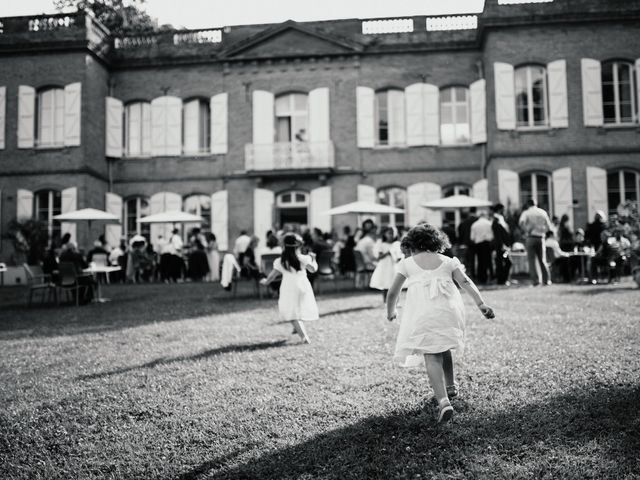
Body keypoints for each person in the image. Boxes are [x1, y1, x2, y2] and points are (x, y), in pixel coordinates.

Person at [385, 223, 495, 424]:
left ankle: (443, 401)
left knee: (432, 354)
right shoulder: (448, 261)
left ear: (412, 244)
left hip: (423, 314)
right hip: (448, 312)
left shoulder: (407, 263)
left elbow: (393, 292)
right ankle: (451, 386)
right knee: (444, 347)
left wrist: (391, 311)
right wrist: (481, 303)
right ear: (437, 241)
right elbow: (466, 282)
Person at [260, 233, 319, 344]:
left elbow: (272, 275)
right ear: (298, 246)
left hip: (289, 287)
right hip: (303, 285)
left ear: (284, 246)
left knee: (290, 312)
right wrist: (314, 259)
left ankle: (304, 337)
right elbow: (313, 270)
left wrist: (266, 281)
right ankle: (296, 328)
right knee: (298, 308)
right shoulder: (303, 258)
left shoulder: (280, 261)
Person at [518, 198, 554, 286]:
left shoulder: (526, 212)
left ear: (527, 204)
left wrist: (527, 230)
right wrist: (542, 231)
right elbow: (549, 227)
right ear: (536, 203)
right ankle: (546, 280)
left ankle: (536, 281)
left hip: (531, 237)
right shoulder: (543, 212)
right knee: (542, 260)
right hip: (541, 237)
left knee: (531, 261)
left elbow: (521, 223)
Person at [369, 226, 402, 301]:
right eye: (389, 233)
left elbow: (400, 256)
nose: (391, 235)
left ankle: (397, 301)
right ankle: (385, 300)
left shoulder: (397, 244)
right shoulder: (382, 244)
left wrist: (397, 256)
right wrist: (388, 253)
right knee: (385, 282)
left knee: (396, 283)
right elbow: (379, 257)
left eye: (393, 233)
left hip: (394, 266)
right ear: (385, 234)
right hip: (385, 266)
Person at [470, 211, 494, 284]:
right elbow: (493, 235)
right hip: (488, 243)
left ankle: (481, 278)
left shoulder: (475, 224)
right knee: (489, 261)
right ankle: (491, 277)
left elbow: (472, 237)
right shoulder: (489, 223)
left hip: (479, 244)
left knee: (480, 262)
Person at [491, 203, 512, 286]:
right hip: (501, 246)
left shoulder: (500, 219)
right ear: (500, 210)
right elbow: (498, 235)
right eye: (503, 209)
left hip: (504, 245)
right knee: (505, 262)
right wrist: (502, 245)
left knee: (503, 262)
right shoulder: (496, 220)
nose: (504, 211)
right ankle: (502, 280)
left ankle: (502, 280)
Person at [457, 207, 478, 280]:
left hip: (467, 244)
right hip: (477, 243)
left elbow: (460, 233)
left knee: (469, 260)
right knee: (479, 260)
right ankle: (478, 275)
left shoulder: (464, 222)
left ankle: (472, 275)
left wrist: (461, 242)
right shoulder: (477, 221)